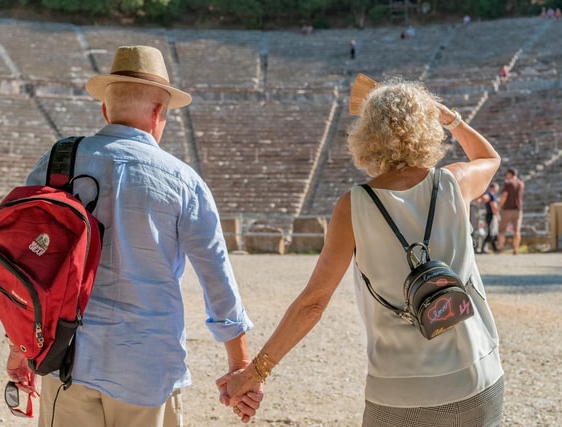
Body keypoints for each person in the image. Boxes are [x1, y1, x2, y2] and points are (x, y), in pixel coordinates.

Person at [219, 78, 504, 426]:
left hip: (399, 391)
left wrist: (256, 372)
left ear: (367, 134)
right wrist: (451, 119)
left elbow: (313, 304)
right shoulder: (454, 182)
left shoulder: (353, 206)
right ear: (426, 128)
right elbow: (489, 157)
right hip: (475, 375)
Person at [4, 45, 262, 426]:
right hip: (148, 375)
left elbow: (24, 264)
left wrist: (20, 346)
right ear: (158, 113)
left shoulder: (57, 161)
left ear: (105, 111)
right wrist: (241, 365)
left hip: (65, 361)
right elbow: (218, 282)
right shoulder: (183, 182)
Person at [497, 167, 525, 255]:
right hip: (518, 210)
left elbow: (505, 195)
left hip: (507, 210)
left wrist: (499, 205)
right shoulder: (521, 183)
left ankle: (501, 247)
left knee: (502, 230)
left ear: (510, 174)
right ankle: (515, 248)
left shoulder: (508, 183)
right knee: (517, 231)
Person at [478, 182, 500, 253]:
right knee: (491, 233)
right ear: (493, 188)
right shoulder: (491, 195)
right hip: (491, 215)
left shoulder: (489, 195)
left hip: (490, 215)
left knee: (493, 232)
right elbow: (493, 205)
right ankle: (483, 248)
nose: (498, 189)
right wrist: (497, 215)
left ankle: (495, 249)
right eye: (497, 188)